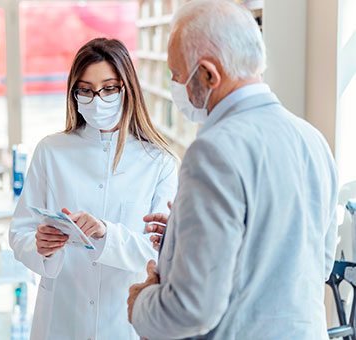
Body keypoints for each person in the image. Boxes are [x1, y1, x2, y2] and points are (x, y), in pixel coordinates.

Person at [127, 1, 338, 339]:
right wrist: (185, 236)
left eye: (178, 74)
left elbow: (193, 309)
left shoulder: (213, 150)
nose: (174, 84)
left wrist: (141, 303)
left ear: (209, 74)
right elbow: (311, 261)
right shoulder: (312, 139)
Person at [9, 38, 179, 340]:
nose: (97, 99)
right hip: (62, 318)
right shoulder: (51, 151)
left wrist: (106, 234)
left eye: (109, 88)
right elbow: (20, 232)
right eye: (85, 90)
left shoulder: (159, 162)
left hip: (124, 321)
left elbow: (160, 251)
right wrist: (42, 247)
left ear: (127, 89)